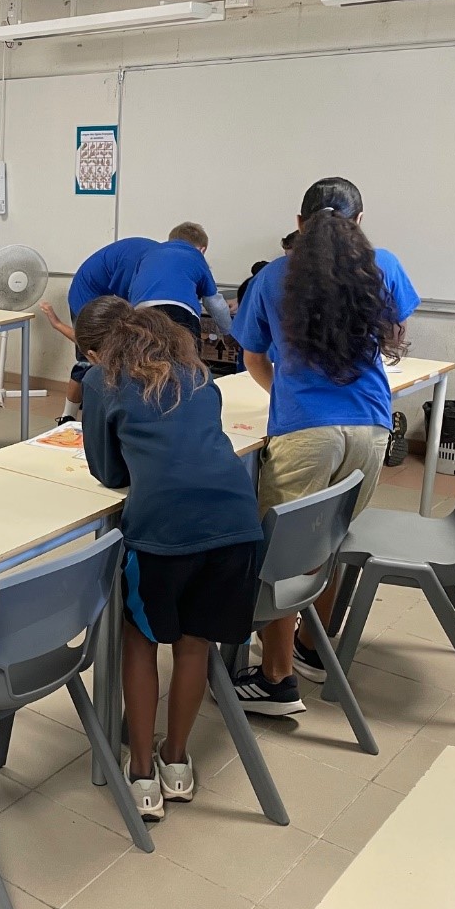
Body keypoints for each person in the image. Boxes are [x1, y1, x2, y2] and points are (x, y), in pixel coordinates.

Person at [230, 177, 418, 714]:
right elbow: (397, 326)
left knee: (284, 552)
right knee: (331, 536)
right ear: (359, 221)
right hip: (371, 426)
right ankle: (313, 645)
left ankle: (276, 677)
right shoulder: (385, 267)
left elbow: (253, 358)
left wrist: (290, 395)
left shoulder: (272, 277)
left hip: (304, 432)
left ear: (299, 223)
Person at [79, 297, 262, 820]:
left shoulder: (101, 382)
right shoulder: (198, 373)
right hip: (236, 526)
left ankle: (141, 775)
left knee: (139, 641)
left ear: (95, 352)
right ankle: (176, 764)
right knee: (194, 644)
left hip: (163, 534)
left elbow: (109, 473)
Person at [46, 237, 166, 423]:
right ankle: (67, 417)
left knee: (121, 354)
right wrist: (58, 325)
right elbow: (128, 311)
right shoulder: (135, 263)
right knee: (86, 361)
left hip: (108, 295)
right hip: (87, 294)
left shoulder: (158, 260)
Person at [128, 222, 233, 343]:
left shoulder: (149, 254)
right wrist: (228, 332)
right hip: (181, 314)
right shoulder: (197, 257)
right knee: (184, 353)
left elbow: (131, 291)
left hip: (142, 312)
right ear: (202, 250)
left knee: (142, 352)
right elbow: (214, 303)